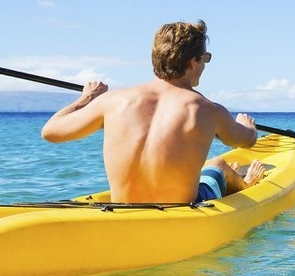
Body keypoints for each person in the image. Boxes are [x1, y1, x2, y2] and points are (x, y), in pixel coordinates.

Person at [41, 19, 266, 203]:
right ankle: (244, 184)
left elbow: (50, 132)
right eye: (205, 58)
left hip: (124, 210)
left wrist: (86, 98)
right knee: (218, 165)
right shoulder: (208, 110)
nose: (205, 65)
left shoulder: (112, 101)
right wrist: (248, 126)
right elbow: (247, 141)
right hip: (182, 211)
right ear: (192, 62)